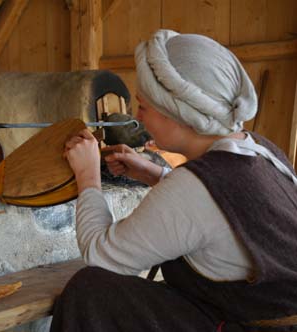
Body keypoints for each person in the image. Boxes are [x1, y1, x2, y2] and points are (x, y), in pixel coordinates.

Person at [50, 29, 297, 332]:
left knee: (90, 290)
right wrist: (154, 174)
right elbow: (223, 209)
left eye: (143, 106)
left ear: (176, 114)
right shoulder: (260, 150)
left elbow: (101, 255)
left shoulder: (193, 189)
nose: (138, 117)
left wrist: (88, 176)